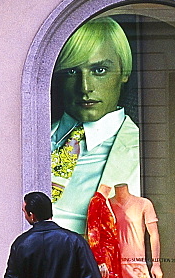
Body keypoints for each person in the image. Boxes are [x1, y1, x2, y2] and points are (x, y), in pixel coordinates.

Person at [51, 17, 139, 234]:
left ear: (124, 72)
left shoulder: (143, 150)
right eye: (72, 71)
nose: (85, 87)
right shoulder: (32, 138)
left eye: (99, 70)